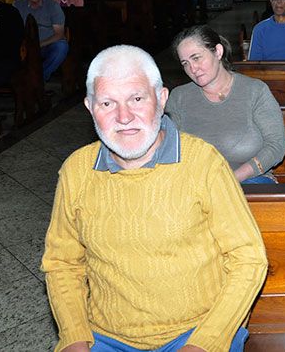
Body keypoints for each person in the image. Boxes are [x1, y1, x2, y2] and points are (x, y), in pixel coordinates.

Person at [42, 45, 269, 352]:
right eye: (107, 103)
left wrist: (205, 342)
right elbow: (62, 263)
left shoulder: (203, 163)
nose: (124, 117)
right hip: (105, 335)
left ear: (161, 99)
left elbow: (248, 258)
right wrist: (74, 337)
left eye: (137, 99)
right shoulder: (77, 170)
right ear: (89, 107)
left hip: (196, 331)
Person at [167, 26, 285, 184]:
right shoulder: (178, 97)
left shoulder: (255, 91)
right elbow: (169, 149)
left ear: (218, 52)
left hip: (250, 179)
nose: (192, 68)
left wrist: (231, 179)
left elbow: (275, 147)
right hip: (196, 182)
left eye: (196, 58)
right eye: (185, 63)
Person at [13, 0, 68, 81]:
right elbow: (12, 29)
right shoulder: (17, 5)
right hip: (23, 45)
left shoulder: (53, 6)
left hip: (46, 44)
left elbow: (59, 34)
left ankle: (38, 78)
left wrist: (39, 44)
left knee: (61, 47)